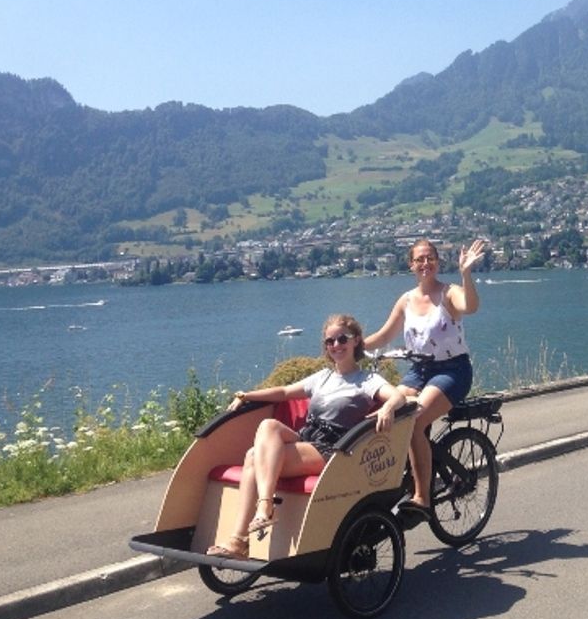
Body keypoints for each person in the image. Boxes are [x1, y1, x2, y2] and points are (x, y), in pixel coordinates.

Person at [206, 314, 406, 559]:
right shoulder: (322, 377)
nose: (335, 345)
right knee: (266, 429)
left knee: (252, 457)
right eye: (329, 341)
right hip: (307, 439)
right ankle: (250, 526)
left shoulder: (367, 380)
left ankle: (249, 527)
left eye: (342, 339)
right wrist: (247, 395)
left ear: (356, 341)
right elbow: (284, 392)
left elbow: (398, 397)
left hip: (335, 449)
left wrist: (386, 407)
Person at [364, 237, 487, 519]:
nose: (425, 263)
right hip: (418, 371)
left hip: (452, 371)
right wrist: (352, 348)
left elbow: (471, 306)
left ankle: (422, 498)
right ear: (411, 264)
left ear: (437, 262)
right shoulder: (406, 300)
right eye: (419, 259)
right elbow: (384, 335)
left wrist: (466, 273)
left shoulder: (449, 293)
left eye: (430, 257)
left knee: (415, 420)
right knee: (380, 413)